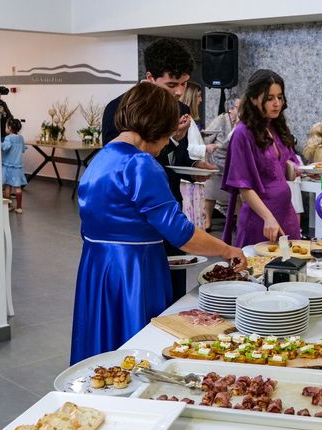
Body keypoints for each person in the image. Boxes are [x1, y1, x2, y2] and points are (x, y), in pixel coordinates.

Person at [72, 82, 246, 364]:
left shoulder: (99, 158)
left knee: (102, 341)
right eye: (167, 135)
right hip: (134, 269)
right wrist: (227, 250)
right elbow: (180, 232)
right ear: (156, 126)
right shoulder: (140, 164)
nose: (166, 143)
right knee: (138, 346)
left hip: (96, 266)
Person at [101, 38, 216, 303]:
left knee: (173, 290)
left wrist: (197, 168)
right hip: (132, 220)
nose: (178, 92)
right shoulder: (118, 110)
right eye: (171, 84)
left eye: (184, 84)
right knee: (138, 297)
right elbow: (121, 165)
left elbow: (180, 161)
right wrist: (173, 139)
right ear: (150, 78)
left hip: (170, 208)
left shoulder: (181, 109)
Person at [221, 69, 301, 247]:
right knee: (259, 271)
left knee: (293, 270)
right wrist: (268, 217)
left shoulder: (274, 127)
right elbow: (243, 186)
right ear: (254, 99)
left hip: (286, 214)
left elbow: (282, 169)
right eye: (270, 98)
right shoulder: (242, 133)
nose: (277, 104)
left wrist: (305, 171)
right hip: (261, 219)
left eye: (280, 97)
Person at [202, 94, 241, 231]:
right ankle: (207, 219)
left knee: (238, 194)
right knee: (211, 191)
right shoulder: (221, 120)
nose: (242, 110)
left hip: (234, 165)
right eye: (239, 107)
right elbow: (206, 138)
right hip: (217, 163)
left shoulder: (243, 123)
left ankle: (239, 222)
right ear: (231, 109)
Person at [1, 118, 27, 213]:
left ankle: (7, 206)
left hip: (8, 166)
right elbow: (23, 149)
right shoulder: (21, 138)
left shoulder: (8, 138)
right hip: (17, 167)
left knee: (7, 187)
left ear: (9, 127)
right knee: (17, 187)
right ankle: (19, 207)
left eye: (6, 126)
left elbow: (5, 147)